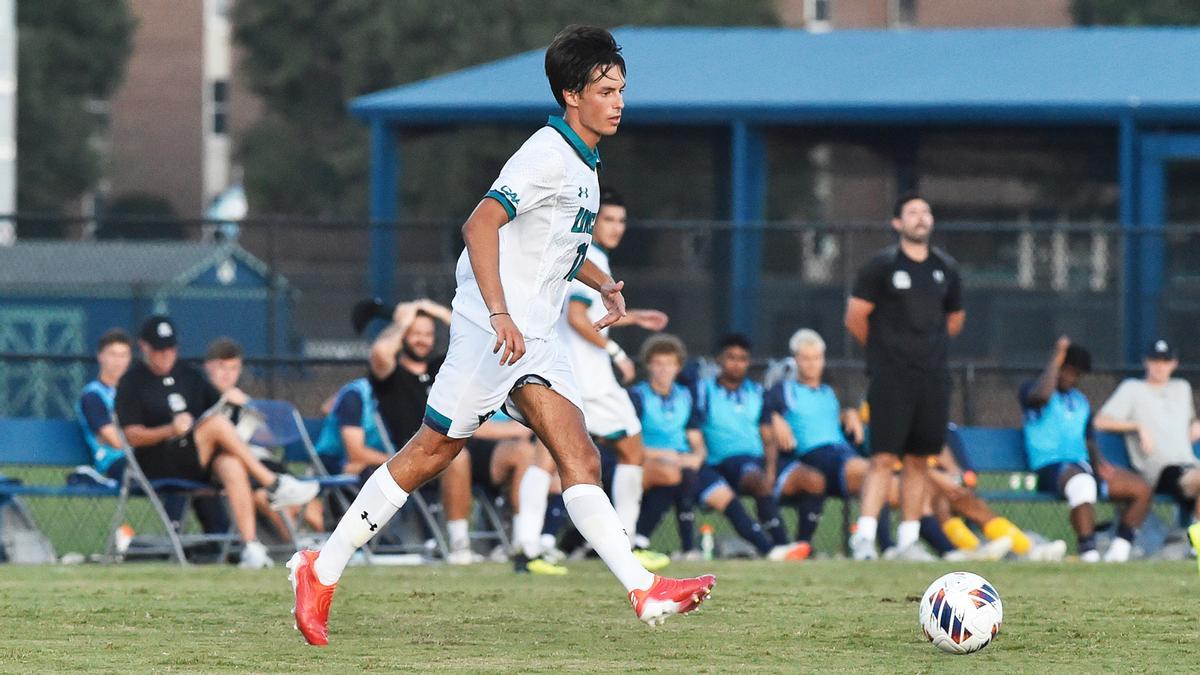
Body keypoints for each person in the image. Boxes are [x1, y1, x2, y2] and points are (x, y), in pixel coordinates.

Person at [289, 26, 714, 646]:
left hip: (533, 334)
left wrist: (603, 283)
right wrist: (497, 314)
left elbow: (557, 248)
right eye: (605, 89)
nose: (618, 100)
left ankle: (643, 590)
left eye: (622, 89)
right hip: (493, 332)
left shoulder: (585, 162)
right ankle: (319, 572)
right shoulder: (546, 152)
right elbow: (480, 223)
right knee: (431, 454)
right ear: (572, 94)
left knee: (581, 455)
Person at [116, 315, 319, 569]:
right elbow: (131, 435)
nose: (166, 355)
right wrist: (170, 429)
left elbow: (218, 408)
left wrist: (233, 400)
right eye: (159, 349)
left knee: (230, 463)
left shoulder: (188, 375)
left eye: (171, 348)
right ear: (144, 347)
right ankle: (274, 483)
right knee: (216, 426)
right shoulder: (131, 382)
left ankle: (251, 547)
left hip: (197, 461)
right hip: (157, 461)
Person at [843, 193, 965, 561]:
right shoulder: (880, 267)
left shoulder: (946, 268)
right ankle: (864, 538)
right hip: (890, 379)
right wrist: (886, 352)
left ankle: (908, 540)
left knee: (919, 460)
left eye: (925, 211)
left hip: (932, 379)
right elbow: (855, 317)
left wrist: (925, 350)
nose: (920, 217)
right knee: (882, 458)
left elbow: (955, 320)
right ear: (897, 223)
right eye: (912, 212)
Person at [559, 187, 670, 570]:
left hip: (570, 376)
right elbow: (576, 318)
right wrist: (617, 353)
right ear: (592, 221)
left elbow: (586, 314)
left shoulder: (575, 253)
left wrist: (633, 317)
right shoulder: (592, 256)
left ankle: (533, 544)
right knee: (632, 448)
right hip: (592, 380)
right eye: (608, 219)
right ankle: (624, 543)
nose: (616, 227)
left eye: (621, 221)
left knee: (549, 459)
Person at [1020, 336, 1152, 562]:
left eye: (1078, 374)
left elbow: (1089, 438)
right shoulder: (1032, 389)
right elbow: (1041, 396)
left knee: (1141, 489)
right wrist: (1057, 356)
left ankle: (1118, 553)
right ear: (1058, 367)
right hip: (1050, 467)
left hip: (1083, 466)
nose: (1073, 378)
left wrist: (1099, 464)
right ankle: (1089, 553)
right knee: (1083, 483)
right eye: (1069, 371)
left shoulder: (1080, 400)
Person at [690, 334, 810, 561]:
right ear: (719, 360)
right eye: (731, 357)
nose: (737, 363)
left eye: (743, 358)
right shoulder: (703, 391)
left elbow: (767, 435)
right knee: (757, 479)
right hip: (723, 462)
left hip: (756, 459)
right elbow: (693, 427)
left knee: (813, 479)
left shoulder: (757, 392)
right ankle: (781, 545)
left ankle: (799, 546)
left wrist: (772, 468)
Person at [766, 329, 871, 552]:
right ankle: (870, 544)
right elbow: (763, 411)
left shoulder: (828, 393)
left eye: (816, 358)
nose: (812, 364)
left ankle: (942, 547)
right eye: (806, 358)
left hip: (844, 452)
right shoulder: (783, 390)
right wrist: (774, 417)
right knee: (872, 476)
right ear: (795, 360)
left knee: (888, 484)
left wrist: (848, 414)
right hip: (816, 455)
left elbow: (831, 420)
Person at [204, 337, 319, 537]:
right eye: (222, 368)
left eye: (233, 369)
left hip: (262, 463)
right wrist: (220, 406)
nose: (227, 375)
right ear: (209, 367)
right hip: (231, 470)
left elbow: (267, 441)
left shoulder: (241, 399)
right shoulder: (201, 397)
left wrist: (247, 407)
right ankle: (301, 544)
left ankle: (330, 546)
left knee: (309, 505)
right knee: (268, 498)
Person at [1094, 339, 1200, 528]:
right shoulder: (1132, 389)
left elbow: (1189, 426)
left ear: (1174, 364)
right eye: (1155, 361)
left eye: (1165, 361)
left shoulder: (1181, 388)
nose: (1160, 367)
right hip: (1160, 469)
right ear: (1146, 362)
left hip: (1189, 463)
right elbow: (1100, 421)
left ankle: (1192, 538)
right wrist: (1137, 426)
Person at [628, 334, 703, 559]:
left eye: (669, 364)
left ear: (678, 367)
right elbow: (630, 444)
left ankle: (648, 540)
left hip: (678, 462)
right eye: (658, 363)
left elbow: (696, 440)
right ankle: (686, 545)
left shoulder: (685, 396)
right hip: (642, 461)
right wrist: (667, 455)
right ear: (648, 365)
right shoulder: (637, 396)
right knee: (673, 474)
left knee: (687, 474)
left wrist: (696, 457)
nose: (663, 369)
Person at [465, 412, 564, 574]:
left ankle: (544, 542)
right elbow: (471, 426)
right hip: (476, 448)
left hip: (515, 442)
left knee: (560, 473)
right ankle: (524, 545)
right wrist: (518, 429)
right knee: (524, 453)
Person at [76, 329, 133, 481]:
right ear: (100, 356)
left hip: (143, 458)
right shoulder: (92, 395)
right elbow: (115, 441)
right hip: (115, 463)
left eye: (123, 355)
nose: (118, 361)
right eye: (113, 354)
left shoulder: (135, 393)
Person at [314, 377, 390, 478]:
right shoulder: (355, 394)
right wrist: (400, 460)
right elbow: (356, 454)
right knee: (373, 472)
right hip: (336, 460)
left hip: (379, 458)